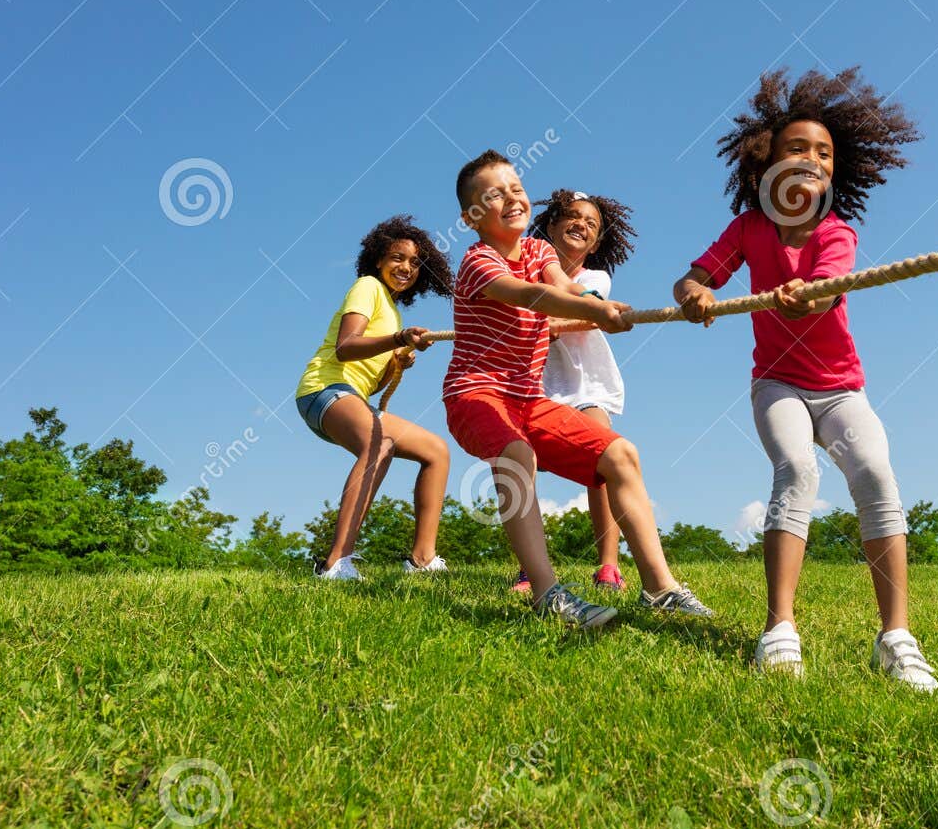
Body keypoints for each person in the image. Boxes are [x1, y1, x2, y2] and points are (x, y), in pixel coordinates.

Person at [672, 68, 938, 690]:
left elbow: (821, 297)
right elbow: (693, 279)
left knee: (874, 473)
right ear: (768, 160)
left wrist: (805, 296)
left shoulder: (836, 230)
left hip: (840, 387)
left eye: (824, 152)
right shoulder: (748, 228)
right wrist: (693, 293)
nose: (811, 159)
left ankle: (896, 636)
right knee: (797, 470)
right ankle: (779, 629)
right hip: (778, 384)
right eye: (798, 148)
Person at [443, 149, 713, 627]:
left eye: (517, 189)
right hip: (475, 394)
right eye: (494, 194)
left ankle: (661, 588)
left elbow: (561, 286)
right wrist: (593, 314)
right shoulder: (477, 263)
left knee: (621, 455)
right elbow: (530, 295)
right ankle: (547, 594)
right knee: (517, 454)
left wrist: (595, 303)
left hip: (530, 400)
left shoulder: (541, 251)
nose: (511, 198)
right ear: (471, 217)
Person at [295, 216, 454, 581]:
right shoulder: (367, 286)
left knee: (436, 451)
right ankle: (336, 563)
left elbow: (373, 384)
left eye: (415, 263)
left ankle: (422, 559)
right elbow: (346, 348)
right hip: (324, 389)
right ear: (378, 259)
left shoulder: (392, 309)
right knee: (379, 445)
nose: (407, 268)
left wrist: (397, 363)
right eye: (398, 258)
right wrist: (398, 339)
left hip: (352, 397)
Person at [508, 188, 638, 596]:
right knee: (520, 466)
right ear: (549, 225)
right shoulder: (521, 275)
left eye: (592, 224)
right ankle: (530, 568)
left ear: (596, 242)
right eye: (574, 216)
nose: (582, 224)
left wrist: (538, 323)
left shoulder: (593, 279)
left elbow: (580, 313)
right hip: (535, 386)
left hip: (585, 385)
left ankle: (609, 566)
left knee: (603, 457)